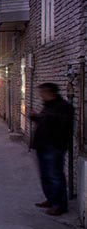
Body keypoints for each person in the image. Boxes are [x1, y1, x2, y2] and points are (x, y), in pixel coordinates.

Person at [30, 82, 74, 216]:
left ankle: (59, 205)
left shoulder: (63, 107)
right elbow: (45, 122)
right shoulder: (48, 106)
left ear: (50, 93)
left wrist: (44, 118)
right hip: (43, 146)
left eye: (42, 92)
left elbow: (62, 126)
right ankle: (50, 199)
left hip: (54, 147)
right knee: (45, 176)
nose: (40, 95)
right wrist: (36, 118)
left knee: (55, 176)